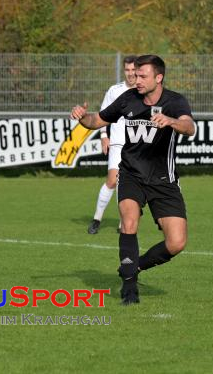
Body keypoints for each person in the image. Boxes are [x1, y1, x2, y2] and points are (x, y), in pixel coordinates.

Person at [70, 55, 195, 305]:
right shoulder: (128, 98)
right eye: (135, 75)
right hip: (131, 174)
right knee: (128, 222)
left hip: (163, 179)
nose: (135, 80)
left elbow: (189, 126)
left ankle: (133, 267)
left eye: (142, 76)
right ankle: (129, 288)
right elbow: (97, 120)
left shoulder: (175, 101)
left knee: (177, 242)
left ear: (158, 78)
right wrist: (83, 116)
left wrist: (170, 121)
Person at [88, 55, 137, 234]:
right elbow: (103, 115)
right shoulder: (114, 90)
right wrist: (103, 135)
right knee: (112, 180)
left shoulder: (143, 91)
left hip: (137, 146)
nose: (130, 74)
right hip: (117, 144)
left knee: (130, 184)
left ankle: (123, 222)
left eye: (133, 70)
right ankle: (96, 219)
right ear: (124, 70)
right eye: (127, 70)